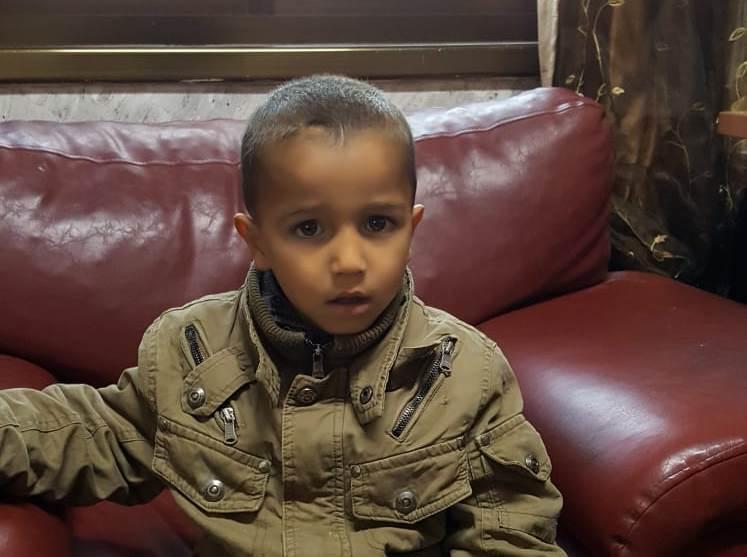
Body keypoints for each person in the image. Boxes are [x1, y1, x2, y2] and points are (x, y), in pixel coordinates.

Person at [0, 75, 566, 556]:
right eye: (309, 228)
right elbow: (93, 434)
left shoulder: (464, 374)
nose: (350, 262)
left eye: (378, 224)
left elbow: (511, 530)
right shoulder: (189, 353)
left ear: (411, 229)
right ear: (258, 242)